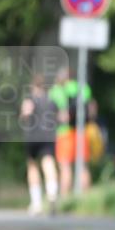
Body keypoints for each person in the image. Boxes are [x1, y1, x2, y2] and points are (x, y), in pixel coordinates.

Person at [49, 66, 93, 194]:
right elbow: (91, 107)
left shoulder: (55, 90)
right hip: (81, 130)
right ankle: (85, 199)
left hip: (64, 132)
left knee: (65, 166)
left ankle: (65, 199)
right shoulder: (82, 87)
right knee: (83, 166)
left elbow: (52, 112)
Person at [20, 74, 59, 216]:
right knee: (48, 162)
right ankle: (52, 193)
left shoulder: (30, 99)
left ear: (33, 86)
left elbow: (26, 113)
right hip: (49, 136)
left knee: (32, 166)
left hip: (33, 136)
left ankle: (36, 203)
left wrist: (24, 116)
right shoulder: (52, 100)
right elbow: (60, 117)